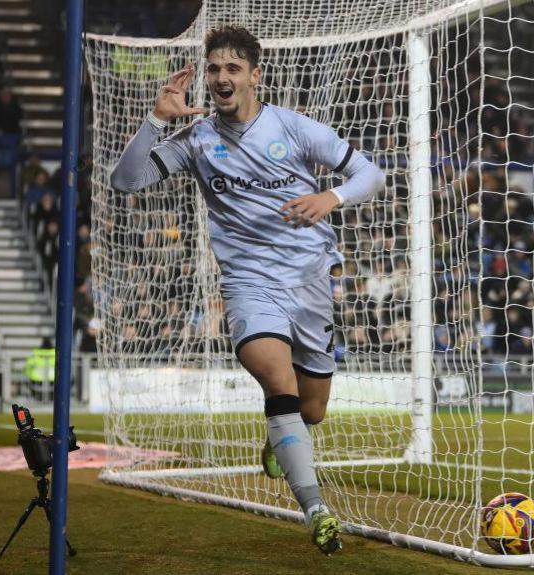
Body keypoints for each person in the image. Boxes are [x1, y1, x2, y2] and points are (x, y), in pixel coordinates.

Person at [110, 25, 386, 554]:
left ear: (254, 76)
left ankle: (281, 439)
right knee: (274, 379)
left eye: (232, 69)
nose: (220, 78)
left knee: (312, 410)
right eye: (213, 69)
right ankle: (317, 512)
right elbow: (127, 181)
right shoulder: (195, 141)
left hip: (309, 282)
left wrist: (331, 197)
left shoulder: (295, 127)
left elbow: (371, 174)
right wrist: (155, 120)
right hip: (247, 282)